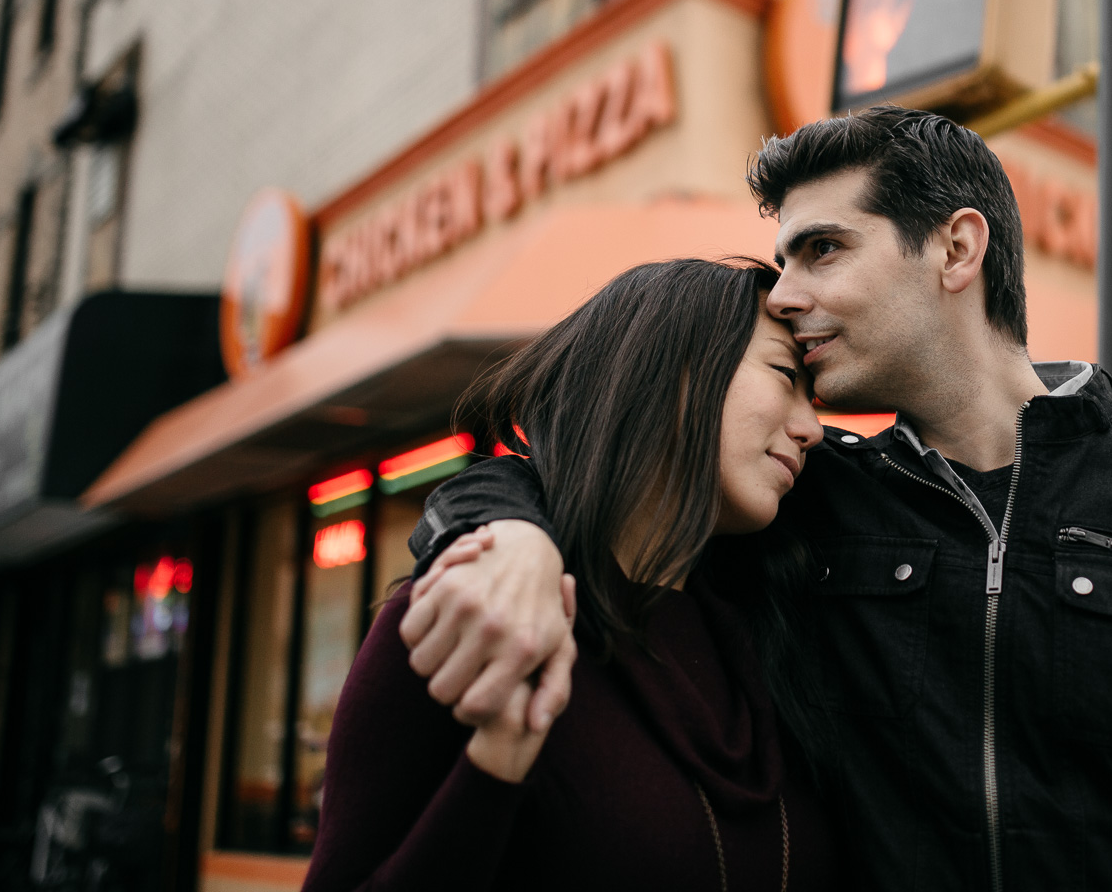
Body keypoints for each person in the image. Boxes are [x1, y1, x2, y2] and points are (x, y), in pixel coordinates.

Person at [400, 107, 1112, 891]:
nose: (784, 292)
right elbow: (584, 475)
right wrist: (505, 534)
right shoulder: (805, 499)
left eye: (822, 249)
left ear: (957, 250)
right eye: (784, 255)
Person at [303, 258, 839, 892]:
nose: (813, 429)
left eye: (816, 399)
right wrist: (494, 769)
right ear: (668, 373)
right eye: (784, 375)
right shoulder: (476, 615)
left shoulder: (774, 636)